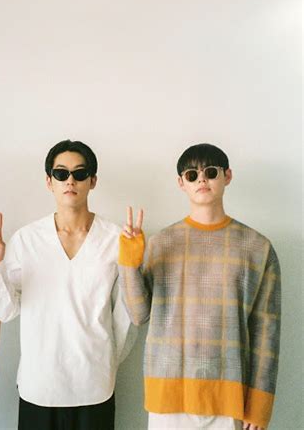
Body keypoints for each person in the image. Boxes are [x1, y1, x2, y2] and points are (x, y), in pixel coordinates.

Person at [119, 143, 281, 430]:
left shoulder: (257, 248)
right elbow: (138, 314)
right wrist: (130, 261)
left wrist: (259, 407)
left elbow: (266, 333)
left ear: (227, 176)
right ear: (181, 183)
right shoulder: (161, 243)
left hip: (228, 396)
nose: (202, 179)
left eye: (211, 172)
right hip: (168, 394)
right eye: (192, 175)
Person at [0, 139, 134, 430]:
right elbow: (5, 311)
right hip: (39, 385)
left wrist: (105, 362)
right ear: (49, 181)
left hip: (94, 384)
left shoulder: (116, 239)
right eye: (61, 173)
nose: (70, 181)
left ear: (92, 180)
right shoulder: (27, 239)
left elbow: (125, 317)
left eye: (79, 173)